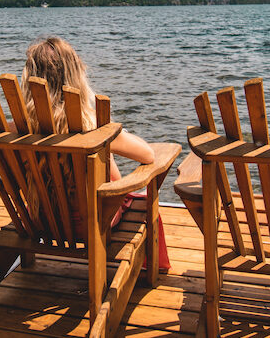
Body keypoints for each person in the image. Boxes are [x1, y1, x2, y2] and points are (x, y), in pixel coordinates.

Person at [20, 36, 170, 270]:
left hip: (38, 219)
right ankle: (146, 274)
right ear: (75, 75)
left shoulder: (18, 128)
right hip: (87, 223)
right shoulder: (93, 126)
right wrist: (114, 135)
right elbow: (147, 156)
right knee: (140, 202)